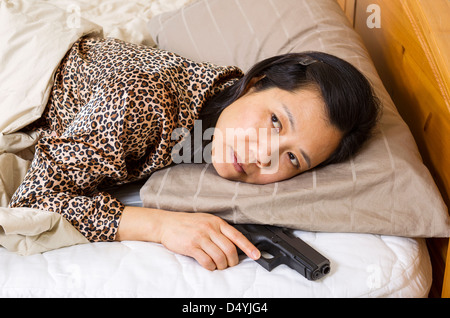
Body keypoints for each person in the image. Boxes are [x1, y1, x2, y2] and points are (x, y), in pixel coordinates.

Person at [9, 36, 380, 271]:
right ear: (253, 84)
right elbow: (34, 200)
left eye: (293, 158)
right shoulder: (142, 102)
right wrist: (161, 225)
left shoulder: (220, 109)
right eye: (275, 122)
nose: (263, 156)